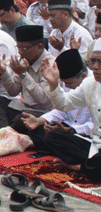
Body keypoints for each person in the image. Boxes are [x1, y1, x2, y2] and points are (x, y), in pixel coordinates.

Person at [40, 40, 101, 181]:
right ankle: (91, 166)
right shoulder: (89, 84)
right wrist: (54, 85)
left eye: (100, 62)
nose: (96, 67)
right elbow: (64, 104)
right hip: (94, 144)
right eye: (93, 61)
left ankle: (78, 167)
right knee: (51, 137)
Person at [0, 25, 54, 134]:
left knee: (20, 121)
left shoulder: (50, 64)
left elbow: (44, 101)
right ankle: (2, 133)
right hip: (23, 107)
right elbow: (13, 91)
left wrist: (23, 74)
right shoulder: (24, 59)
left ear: (39, 47)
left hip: (41, 113)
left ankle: (5, 132)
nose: (20, 52)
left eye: (24, 48)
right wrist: (4, 72)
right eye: (18, 47)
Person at [22, 49, 92, 155]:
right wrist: (40, 120)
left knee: (52, 137)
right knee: (37, 131)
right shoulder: (71, 82)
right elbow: (62, 108)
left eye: (68, 83)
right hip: (67, 129)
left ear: (83, 75)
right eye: (63, 83)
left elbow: (93, 126)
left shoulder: (93, 86)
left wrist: (70, 130)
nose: (66, 86)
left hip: (86, 135)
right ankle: (61, 151)